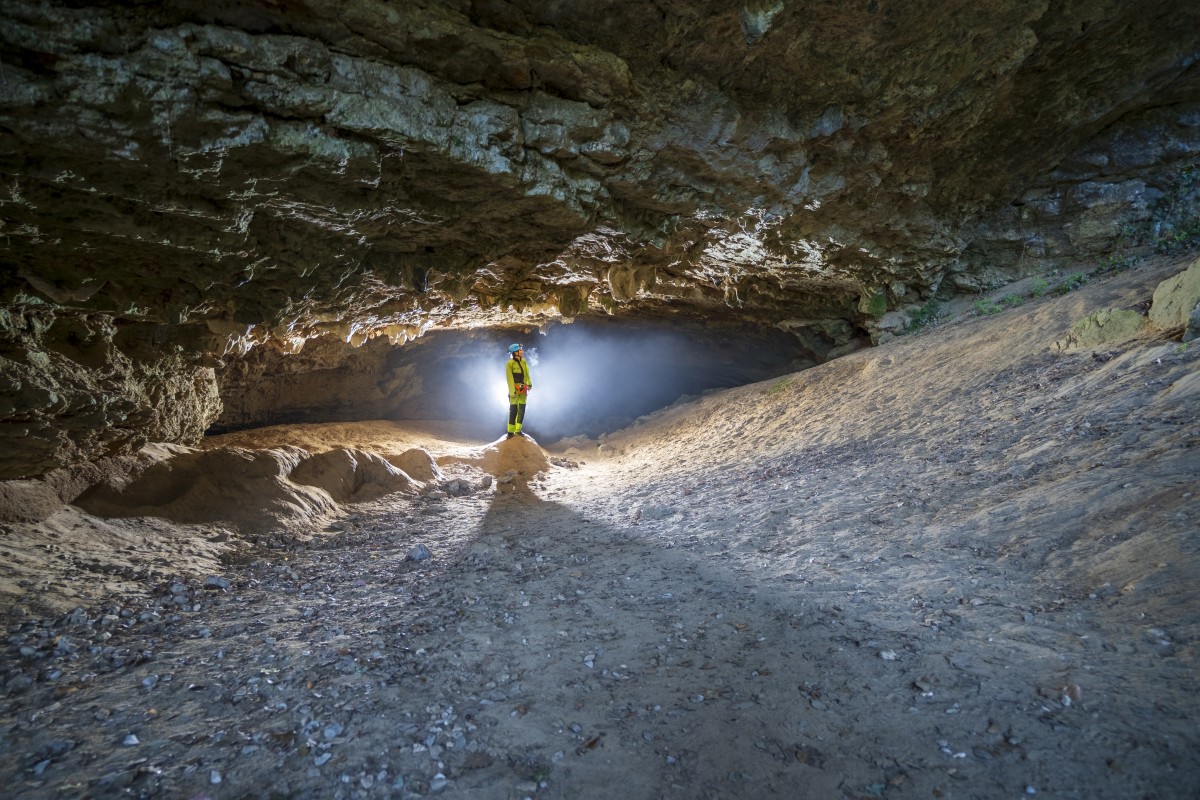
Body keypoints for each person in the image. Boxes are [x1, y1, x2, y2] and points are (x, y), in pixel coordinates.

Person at [505, 343, 532, 439]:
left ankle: (518, 429)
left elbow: (527, 374)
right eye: (520, 350)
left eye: (521, 350)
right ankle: (510, 431)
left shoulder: (523, 361)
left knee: (522, 410)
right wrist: (512, 391)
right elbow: (509, 378)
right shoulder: (510, 363)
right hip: (515, 390)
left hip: (523, 390)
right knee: (513, 410)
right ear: (514, 352)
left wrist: (529, 384)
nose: (522, 351)